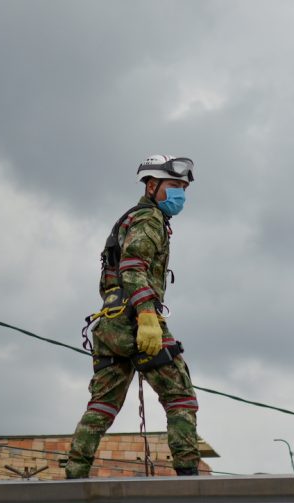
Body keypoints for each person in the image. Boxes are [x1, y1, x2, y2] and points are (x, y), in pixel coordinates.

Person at [64, 155, 200, 478]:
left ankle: (73, 475)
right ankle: (190, 480)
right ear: (152, 186)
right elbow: (133, 267)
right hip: (136, 319)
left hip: (110, 325)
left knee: (102, 407)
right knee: (181, 396)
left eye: (183, 187)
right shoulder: (149, 219)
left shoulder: (133, 218)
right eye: (174, 185)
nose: (181, 193)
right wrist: (148, 318)